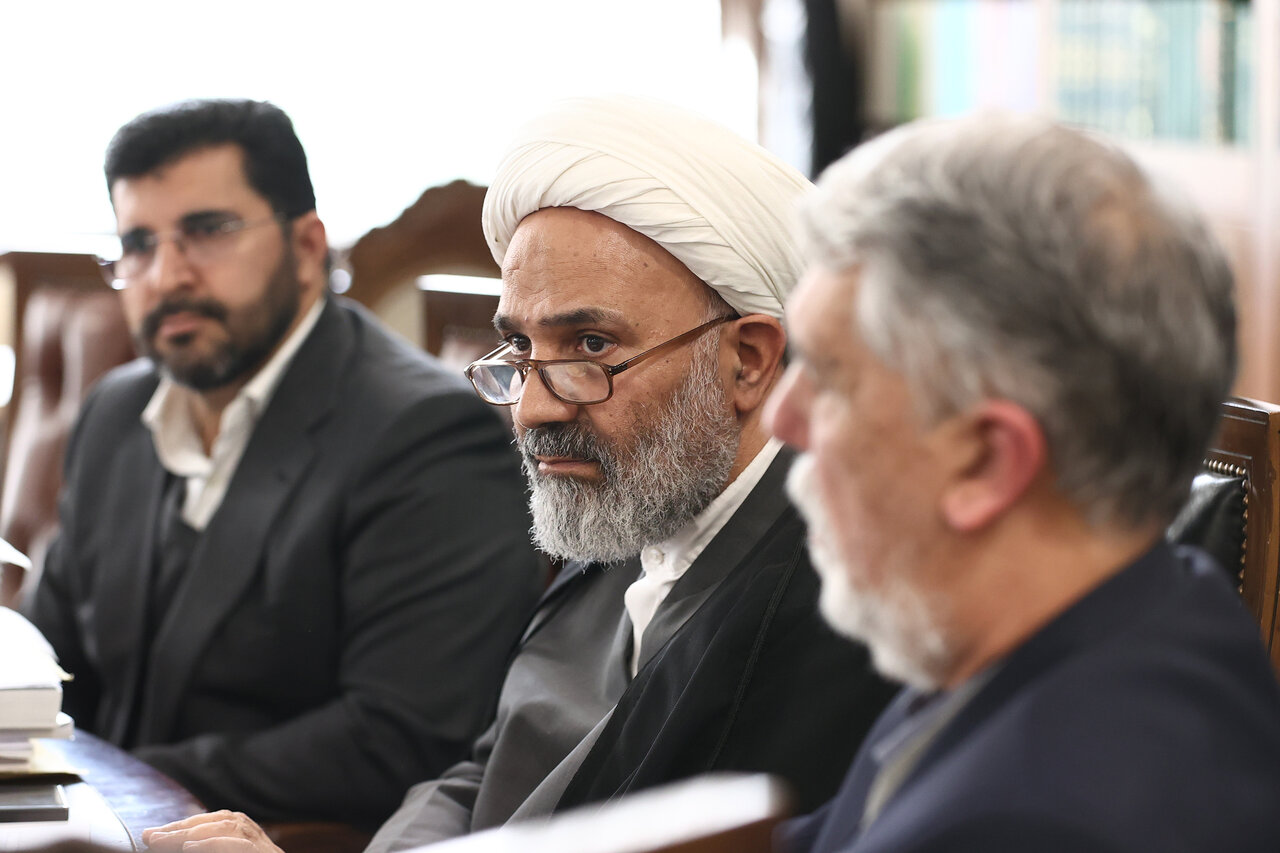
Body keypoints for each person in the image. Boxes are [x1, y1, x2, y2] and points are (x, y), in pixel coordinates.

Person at [140, 95, 898, 853]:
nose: (533, 408)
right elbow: (485, 774)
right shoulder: (641, 498)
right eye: (522, 349)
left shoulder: (838, 607)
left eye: (591, 345)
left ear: (749, 360)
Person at [769, 113, 1280, 852]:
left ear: (987, 460)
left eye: (827, 375)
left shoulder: (1029, 823)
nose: (782, 417)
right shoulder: (1147, 605)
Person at [25, 99, 542, 828]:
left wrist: (117, 789)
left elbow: (398, 737)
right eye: (138, 243)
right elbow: (48, 665)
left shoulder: (427, 434)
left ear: (306, 247)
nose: (166, 275)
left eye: (207, 231)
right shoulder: (115, 411)